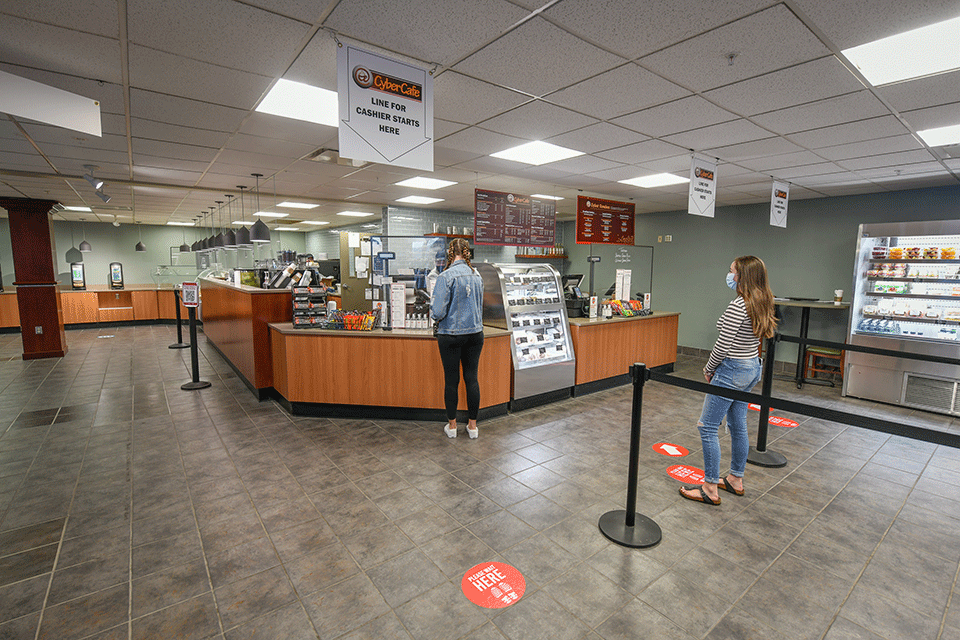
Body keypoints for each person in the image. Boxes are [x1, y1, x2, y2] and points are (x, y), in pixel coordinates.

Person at [680, 256, 777, 505]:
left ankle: (710, 487)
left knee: (708, 427)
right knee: (737, 425)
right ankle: (735, 479)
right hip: (751, 367)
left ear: (742, 276)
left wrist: (709, 368)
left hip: (732, 369)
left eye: (731, 271)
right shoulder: (762, 302)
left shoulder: (738, 305)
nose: (729, 274)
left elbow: (722, 344)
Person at [430, 238, 484, 439]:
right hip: (475, 335)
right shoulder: (476, 275)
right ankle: (472, 427)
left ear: (450, 254)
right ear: (467, 253)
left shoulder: (446, 276)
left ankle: (452, 426)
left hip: (450, 335)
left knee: (451, 381)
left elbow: (438, 311)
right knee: (472, 379)